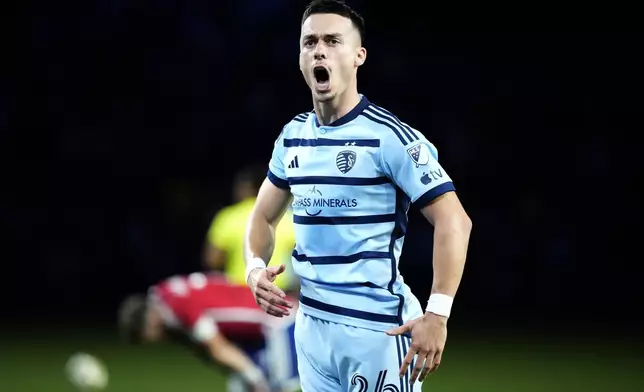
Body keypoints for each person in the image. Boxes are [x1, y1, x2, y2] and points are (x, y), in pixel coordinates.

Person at [243, 1, 473, 391]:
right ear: (300, 56)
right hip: (311, 328)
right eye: (310, 41)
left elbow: (454, 220)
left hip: (376, 331)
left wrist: (438, 314)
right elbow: (263, 217)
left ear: (358, 56)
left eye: (333, 41)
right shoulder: (292, 137)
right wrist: (253, 269)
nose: (319, 50)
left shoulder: (389, 137)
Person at [118, 272, 300, 392]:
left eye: (147, 338)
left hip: (277, 320)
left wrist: (254, 376)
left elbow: (217, 347)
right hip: (259, 332)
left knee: (278, 386)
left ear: (148, 322)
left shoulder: (177, 306)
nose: (154, 341)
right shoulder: (163, 294)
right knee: (239, 385)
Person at [204, 165, 296, 291]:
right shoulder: (287, 217)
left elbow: (213, 259)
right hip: (279, 293)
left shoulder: (228, 217)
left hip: (239, 292)